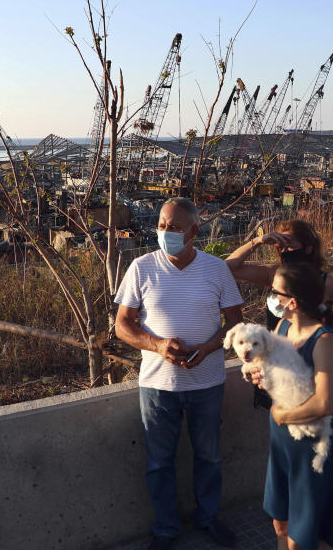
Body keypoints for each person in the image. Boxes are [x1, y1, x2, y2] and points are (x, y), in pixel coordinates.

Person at [114, 198, 244, 550]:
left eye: (173, 227)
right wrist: (156, 345)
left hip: (207, 383)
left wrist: (209, 348)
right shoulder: (141, 268)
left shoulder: (216, 269)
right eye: (161, 225)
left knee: (209, 456)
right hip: (158, 387)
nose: (164, 232)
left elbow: (236, 325)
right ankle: (166, 529)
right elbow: (122, 327)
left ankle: (208, 518)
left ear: (194, 231)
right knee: (159, 463)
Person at [253, 262, 333, 550]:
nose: (270, 295)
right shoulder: (283, 326)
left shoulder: (325, 341)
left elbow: (325, 403)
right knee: (281, 526)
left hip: (312, 447)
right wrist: (261, 374)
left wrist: (283, 415)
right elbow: (275, 372)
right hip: (284, 446)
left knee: (308, 537)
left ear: (292, 302)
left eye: (274, 291)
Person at [226, 219, 333, 344]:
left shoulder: (325, 282)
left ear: (308, 248)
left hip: (312, 363)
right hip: (280, 363)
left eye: (289, 245)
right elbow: (228, 268)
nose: (284, 251)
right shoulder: (274, 275)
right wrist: (258, 241)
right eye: (280, 247)